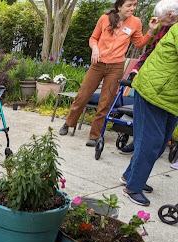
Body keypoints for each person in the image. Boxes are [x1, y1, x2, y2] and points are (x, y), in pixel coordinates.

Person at [59, 0, 158, 147]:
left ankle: (94, 135)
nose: (133, 8)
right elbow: (93, 38)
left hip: (116, 67)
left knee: (105, 102)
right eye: (129, 5)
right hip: (98, 64)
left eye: (134, 5)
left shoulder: (135, 22)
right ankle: (69, 123)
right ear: (119, 6)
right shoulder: (104, 18)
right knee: (82, 95)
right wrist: (95, 49)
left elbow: (139, 43)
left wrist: (150, 31)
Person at [121, 23, 178, 206]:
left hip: (171, 98)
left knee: (160, 143)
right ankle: (133, 187)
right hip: (153, 91)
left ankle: (130, 176)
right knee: (151, 142)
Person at [118, 0, 178, 154]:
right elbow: (150, 50)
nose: (160, 23)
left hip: (169, 88)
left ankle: (144, 151)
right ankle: (139, 147)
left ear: (172, 15)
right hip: (154, 84)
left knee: (158, 132)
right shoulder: (164, 28)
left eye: (163, 19)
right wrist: (136, 69)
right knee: (145, 125)